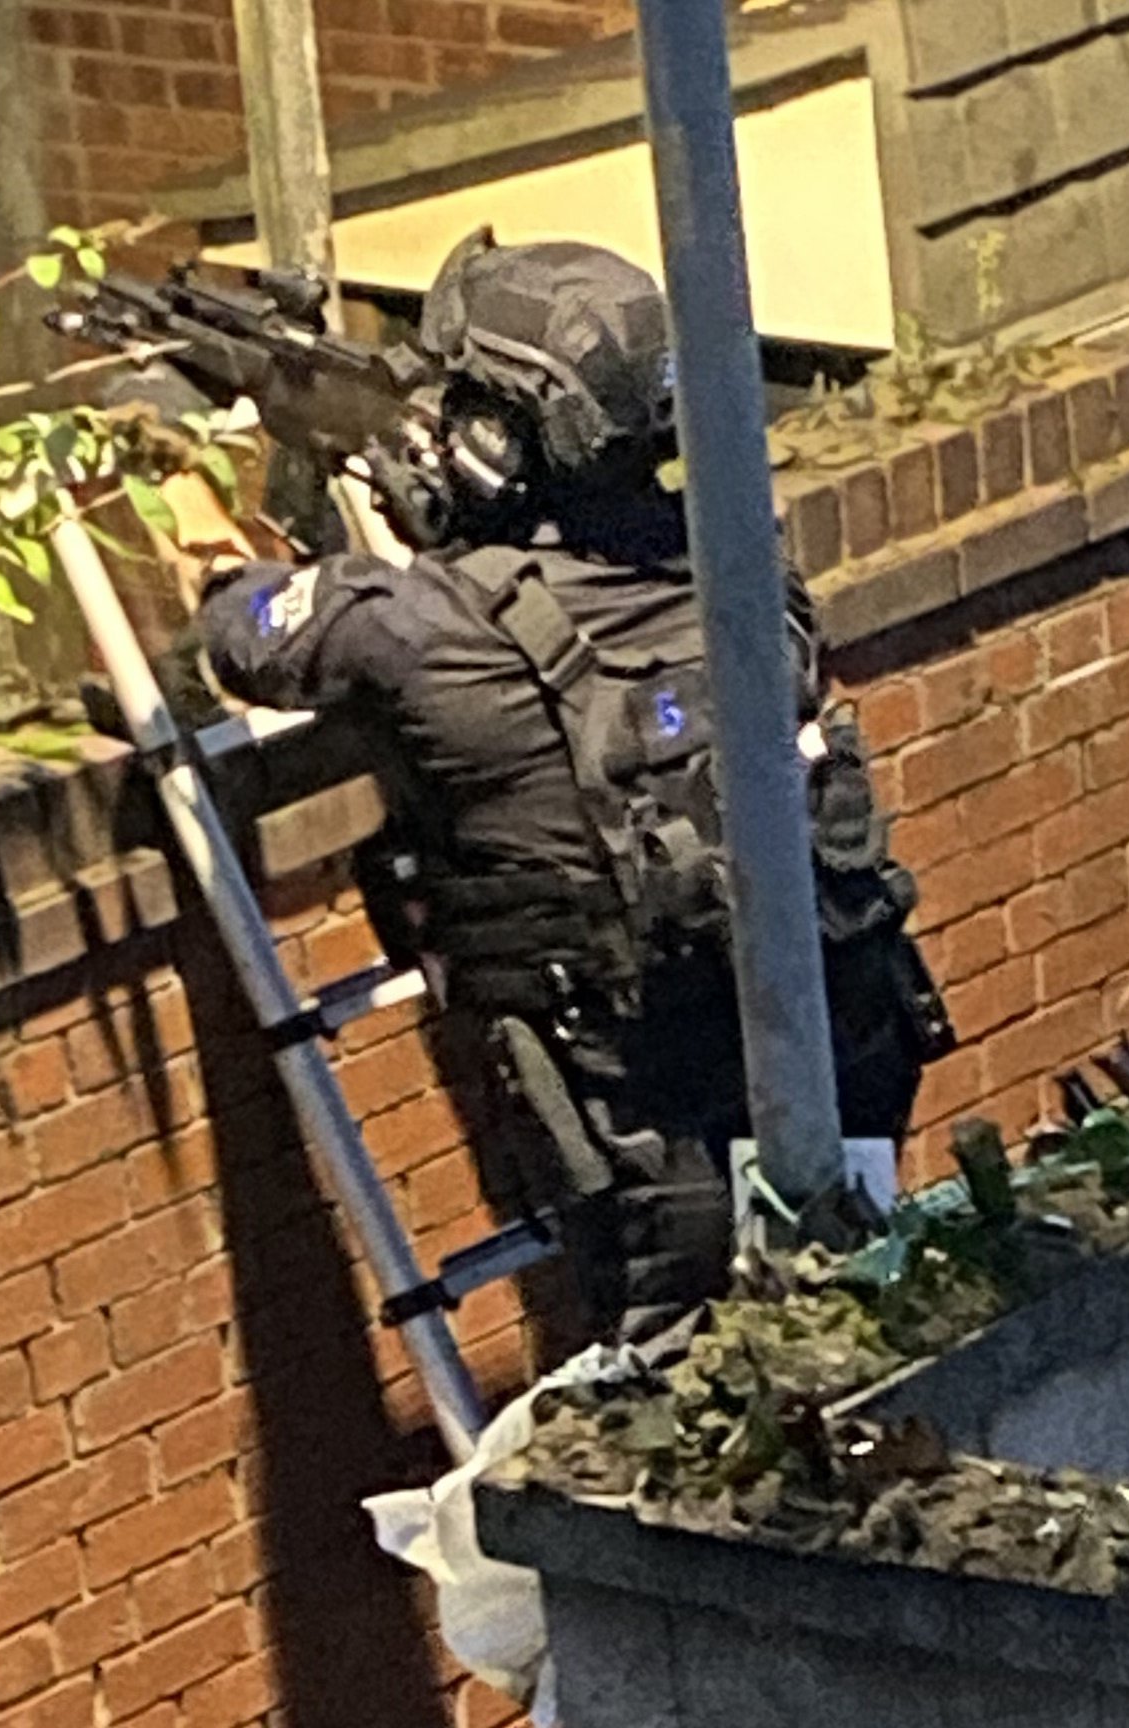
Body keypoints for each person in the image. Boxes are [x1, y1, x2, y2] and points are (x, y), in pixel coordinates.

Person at [141, 235, 953, 1346]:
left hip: (637, 1125)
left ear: (495, 434)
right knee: (856, 1336)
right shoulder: (743, 562)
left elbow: (239, 638)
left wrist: (188, 502)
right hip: (837, 1063)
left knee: (688, 1405)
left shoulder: (423, 630)